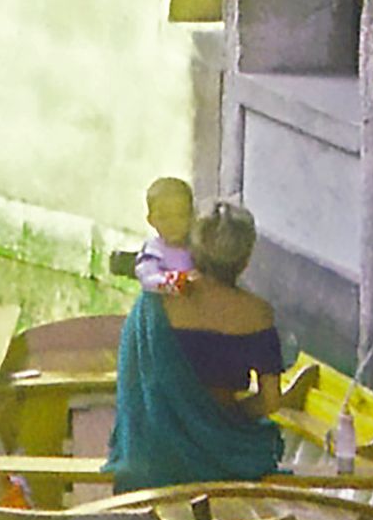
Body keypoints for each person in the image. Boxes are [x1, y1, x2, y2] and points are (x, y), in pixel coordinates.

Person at [104, 200, 285, 493]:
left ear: (194, 248)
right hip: (227, 451)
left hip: (156, 454)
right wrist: (222, 418)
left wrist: (186, 419)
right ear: (245, 258)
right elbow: (270, 401)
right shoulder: (259, 314)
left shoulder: (156, 302)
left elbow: (131, 388)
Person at [111, 174, 197, 292]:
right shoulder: (153, 250)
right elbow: (147, 276)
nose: (173, 223)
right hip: (159, 305)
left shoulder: (198, 248)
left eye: (181, 216)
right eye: (163, 217)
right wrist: (168, 281)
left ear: (192, 216)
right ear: (151, 220)